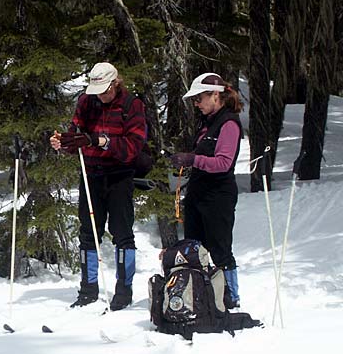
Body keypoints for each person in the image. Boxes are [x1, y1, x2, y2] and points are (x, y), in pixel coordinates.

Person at [50, 62, 147, 310]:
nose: (101, 95)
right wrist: (63, 142)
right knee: (88, 231)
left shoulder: (131, 105)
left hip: (119, 174)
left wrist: (101, 141)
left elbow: (133, 147)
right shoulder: (86, 101)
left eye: (105, 90)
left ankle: (123, 292)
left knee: (122, 232)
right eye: (97, 91)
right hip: (91, 172)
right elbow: (76, 134)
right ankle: (88, 288)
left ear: (116, 84)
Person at [170, 72, 243, 309]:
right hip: (199, 193)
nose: (197, 103)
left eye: (199, 98)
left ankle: (230, 296)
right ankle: (200, 292)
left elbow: (223, 163)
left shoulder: (229, 123)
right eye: (195, 99)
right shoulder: (207, 123)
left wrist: (192, 159)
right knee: (194, 246)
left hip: (218, 194)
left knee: (220, 248)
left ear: (215, 95)